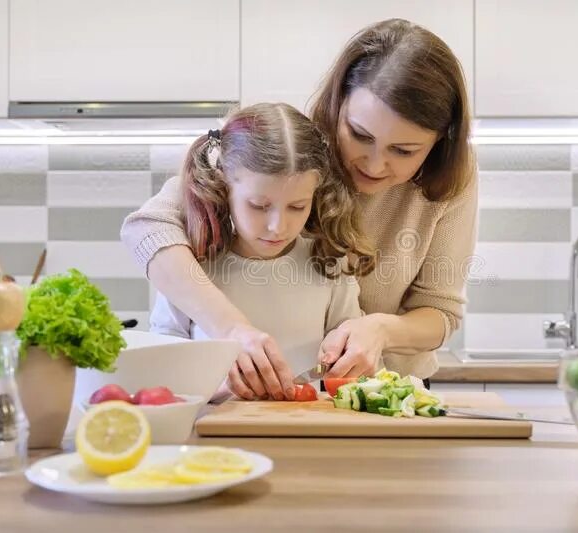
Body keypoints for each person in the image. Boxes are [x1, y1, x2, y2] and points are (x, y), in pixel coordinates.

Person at [122, 18, 478, 401]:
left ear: (440, 143)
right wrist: (230, 332)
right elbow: (147, 228)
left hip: (390, 393)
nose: (374, 165)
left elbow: (441, 311)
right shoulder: (293, 149)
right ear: (338, 103)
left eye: (404, 151)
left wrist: (381, 330)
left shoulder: (449, 180)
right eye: (360, 134)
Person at [148, 102, 373, 401]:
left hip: (303, 432)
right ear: (224, 186)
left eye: (297, 206)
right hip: (211, 430)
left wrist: (347, 359)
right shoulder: (189, 261)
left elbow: (353, 355)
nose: (278, 227)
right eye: (258, 206)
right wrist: (214, 389)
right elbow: (161, 361)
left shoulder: (329, 260)